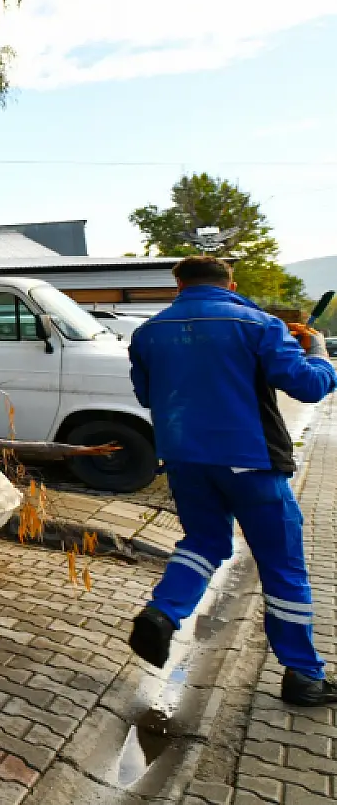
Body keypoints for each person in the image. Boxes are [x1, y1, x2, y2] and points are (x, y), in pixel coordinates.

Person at [127, 255, 337, 706]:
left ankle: (163, 611)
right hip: (251, 462)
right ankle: (303, 675)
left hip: (184, 459)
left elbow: (147, 394)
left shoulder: (147, 332)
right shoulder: (260, 325)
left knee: (203, 542)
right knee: (282, 564)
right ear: (231, 282)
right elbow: (309, 386)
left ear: (177, 285)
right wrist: (318, 349)